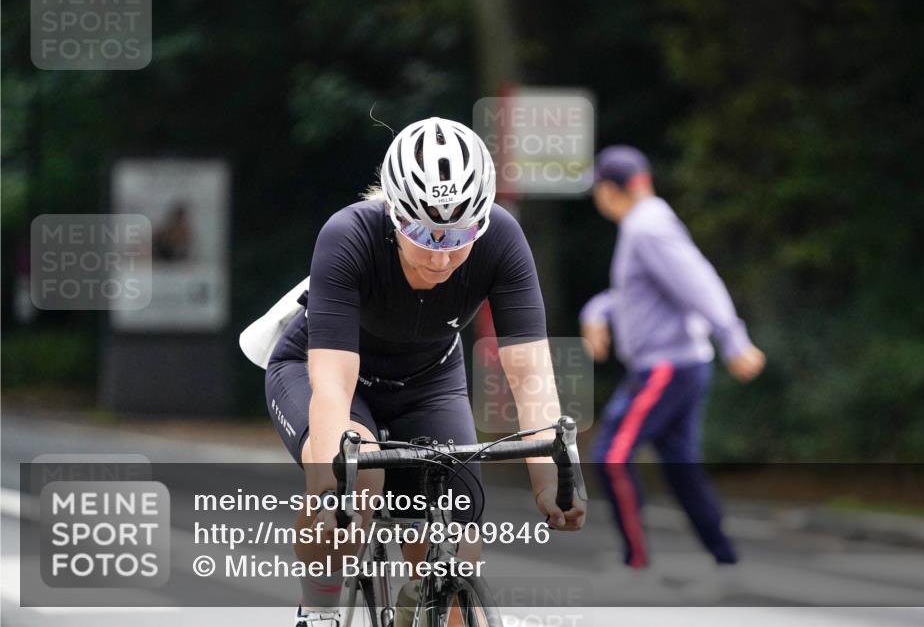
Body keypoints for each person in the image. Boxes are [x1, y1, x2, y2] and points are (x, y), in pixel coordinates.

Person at [261, 117, 586, 626]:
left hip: (429, 383)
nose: (441, 253)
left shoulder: (502, 238)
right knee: (358, 476)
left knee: (456, 549)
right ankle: (319, 609)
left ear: (483, 218)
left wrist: (550, 477)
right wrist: (333, 485)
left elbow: (530, 372)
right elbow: (334, 381)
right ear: (392, 211)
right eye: (422, 231)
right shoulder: (348, 236)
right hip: (324, 373)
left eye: (460, 233)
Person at [580, 145, 765, 587]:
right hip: (678, 363)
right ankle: (726, 562)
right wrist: (596, 312)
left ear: (609, 190)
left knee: (612, 457)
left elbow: (698, 282)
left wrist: (734, 338)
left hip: (665, 366)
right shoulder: (646, 224)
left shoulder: (647, 229)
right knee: (680, 467)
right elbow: (636, 295)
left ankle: (636, 564)